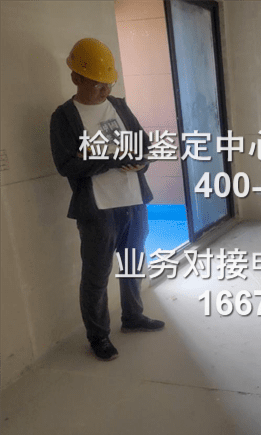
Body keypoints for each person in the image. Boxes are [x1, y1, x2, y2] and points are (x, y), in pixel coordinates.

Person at [50, 38, 165, 361]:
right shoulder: (65, 117)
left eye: (108, 83)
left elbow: (143, 144)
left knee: (132, 265)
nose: (104, 90)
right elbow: (66, 165)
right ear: (76, 77)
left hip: (133, 203)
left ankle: (133, 316)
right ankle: (98, 336)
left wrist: (141, 160)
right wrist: (113, 159)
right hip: (98, 211)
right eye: (97, 84)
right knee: (97, 277)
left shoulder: (119, 106)